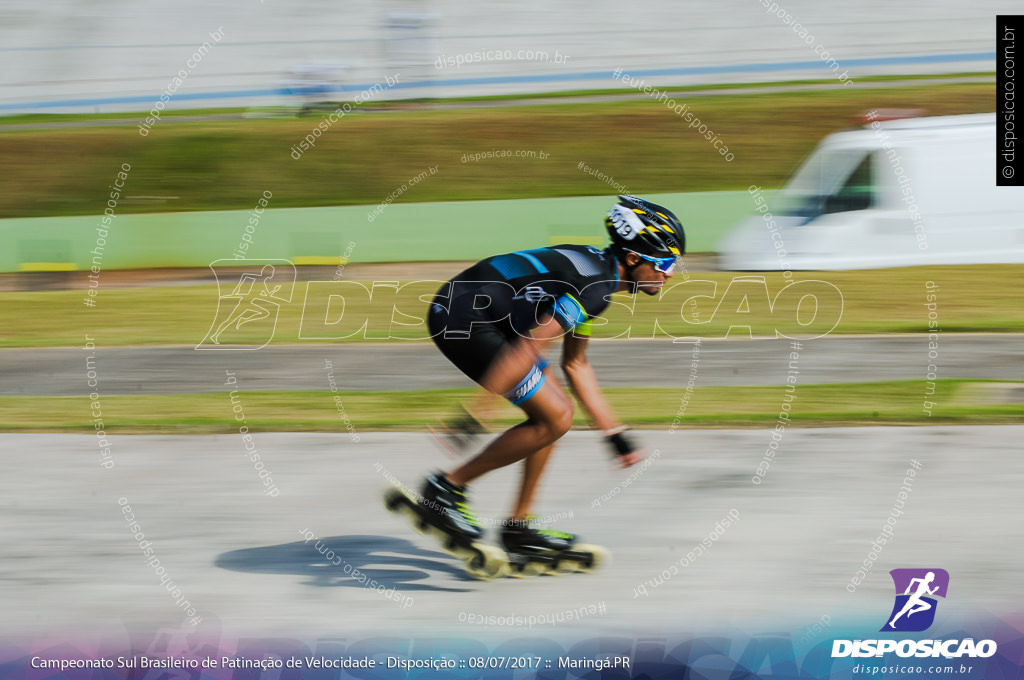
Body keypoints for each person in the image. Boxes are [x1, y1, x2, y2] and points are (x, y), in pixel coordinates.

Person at [420, 195, 685, 555]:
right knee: (556, 415)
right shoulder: (596, 287)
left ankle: (518, 527)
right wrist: (478, 411)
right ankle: (446, 489)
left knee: (555, 409)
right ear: (634, 257)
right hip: (464, 317)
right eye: (665, 263)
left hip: (483, 313)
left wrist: (614, 432)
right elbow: (531, 345)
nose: (669, 273)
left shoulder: (599, 276)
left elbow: (576, 364)